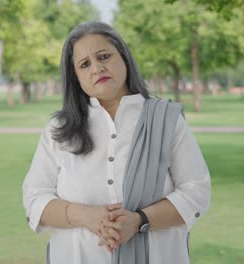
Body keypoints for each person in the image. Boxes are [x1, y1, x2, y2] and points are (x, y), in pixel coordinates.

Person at [22, 21, 211, 264]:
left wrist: (140, 220)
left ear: (123, 57)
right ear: (76, 77)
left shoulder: (165, 121)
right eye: (84, 64)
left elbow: (197, 191)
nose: (97, 68)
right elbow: (35, 199)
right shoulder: (59, 130)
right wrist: (86, 216)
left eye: (104, 56)